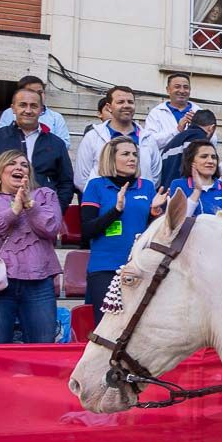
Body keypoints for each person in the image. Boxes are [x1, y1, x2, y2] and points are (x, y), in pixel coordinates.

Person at [0, 151, 62, 343]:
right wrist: (14, 211)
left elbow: (51, 228)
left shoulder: (45, 195)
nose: (19, 167)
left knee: (43, 347)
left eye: (24, 165)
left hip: (38, 282)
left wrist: (29, 205)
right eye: (12, 163)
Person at [80, 137, 168, 322]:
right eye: (126, 154)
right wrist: (116, 210)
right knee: (108, 327)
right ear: (111, 158)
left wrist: (154, 213)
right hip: (106, 268)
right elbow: (87, 231)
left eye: (135, 154)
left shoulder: (147, 186)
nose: (133, 159)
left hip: (140, 267)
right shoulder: (96, 185)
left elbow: (154, 230)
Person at [0, 88, 74, 214]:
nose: (28, 110)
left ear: (41, 110)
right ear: (13, 108)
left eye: (34, 106)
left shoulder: (56, 143)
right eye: (23, 105)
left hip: (42, 213)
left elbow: (66, 182)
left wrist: (57, 211)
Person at [75, 86, 163, 190]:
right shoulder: (93, 137)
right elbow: (81, 178)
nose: (126, 105)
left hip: (139, 202)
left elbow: (155, 176)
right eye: (120, 102)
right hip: (103, 204)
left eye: (130, 102)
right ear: (109, 107)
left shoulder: (148, 138)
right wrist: (101, 198)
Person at [166, 140, 222, 217]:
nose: (210, 161)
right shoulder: (179, 185)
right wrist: (197, 191)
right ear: (191, 161)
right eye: (204, 156)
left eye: (213, 157)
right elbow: (177, 221)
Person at [0, 75, 71, 148]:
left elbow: (64, 144)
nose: (28, 111)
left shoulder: (56, 117)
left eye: (40, 92)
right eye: (32, 91)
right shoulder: (9, 113)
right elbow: (0, 139)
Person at [145, 73, 211, 151]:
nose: (182, 91)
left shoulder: (199, 112)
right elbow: (149, 142)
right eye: (177, 87)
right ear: (168, 90)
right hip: (166, 162)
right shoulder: (156, 113)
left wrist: (200, 127)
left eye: (186, 87)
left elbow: (213, 141)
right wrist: (177, 131)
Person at [158, 108, 218, 188]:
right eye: (204, 156)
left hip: (166, 193)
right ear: (212, 128)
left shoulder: (173, 141)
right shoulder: (200, 140)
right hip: (188, 192)